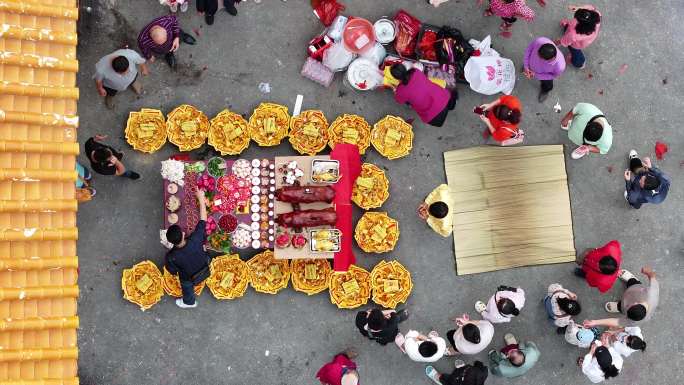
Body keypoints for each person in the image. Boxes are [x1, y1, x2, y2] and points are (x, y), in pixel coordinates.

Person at [164, 188, 210, 308]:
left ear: (170, 243)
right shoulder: (195, 238)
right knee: (204, 250)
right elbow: (203, 219)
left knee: (186, 284)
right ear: (183, 234)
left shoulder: (171, 257)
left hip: (190, 277)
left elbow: (173, 271)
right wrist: (200, 198)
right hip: (204, 264)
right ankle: (189, 300)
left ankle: (189, 302)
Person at [583, 266, 659, 329]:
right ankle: (630, 278)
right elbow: (652, 276)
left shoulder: (634, 320)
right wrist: (647, 272)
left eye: (627, 307)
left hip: (630, 294)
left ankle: (619, 306)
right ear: (636, 303)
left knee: (622, 308)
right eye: (628, 306)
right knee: (632, 282)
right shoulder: (652, 293)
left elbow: (616, 322)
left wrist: (595, 322)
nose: (627, 305)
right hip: (635, 287)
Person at [390, 63, 456, 127]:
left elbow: (399, 100)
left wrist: (395, 89)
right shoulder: (416, 72)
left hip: (435, 117)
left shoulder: (401, 91)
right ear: (404, 68)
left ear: (396, 78)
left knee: (408, 101)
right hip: (445, 98)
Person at [523, 37, 566, 102]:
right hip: (530, 65)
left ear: (551, 58)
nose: (537, 56)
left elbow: (553, 76)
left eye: (541, 58)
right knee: (527, 65)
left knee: (547, 85)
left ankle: (545, 91)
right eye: (538, 54)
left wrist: (536, 75)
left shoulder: (560, 66)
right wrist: (526, 66)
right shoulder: (540, 41)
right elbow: (529, 50)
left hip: (542, 75)